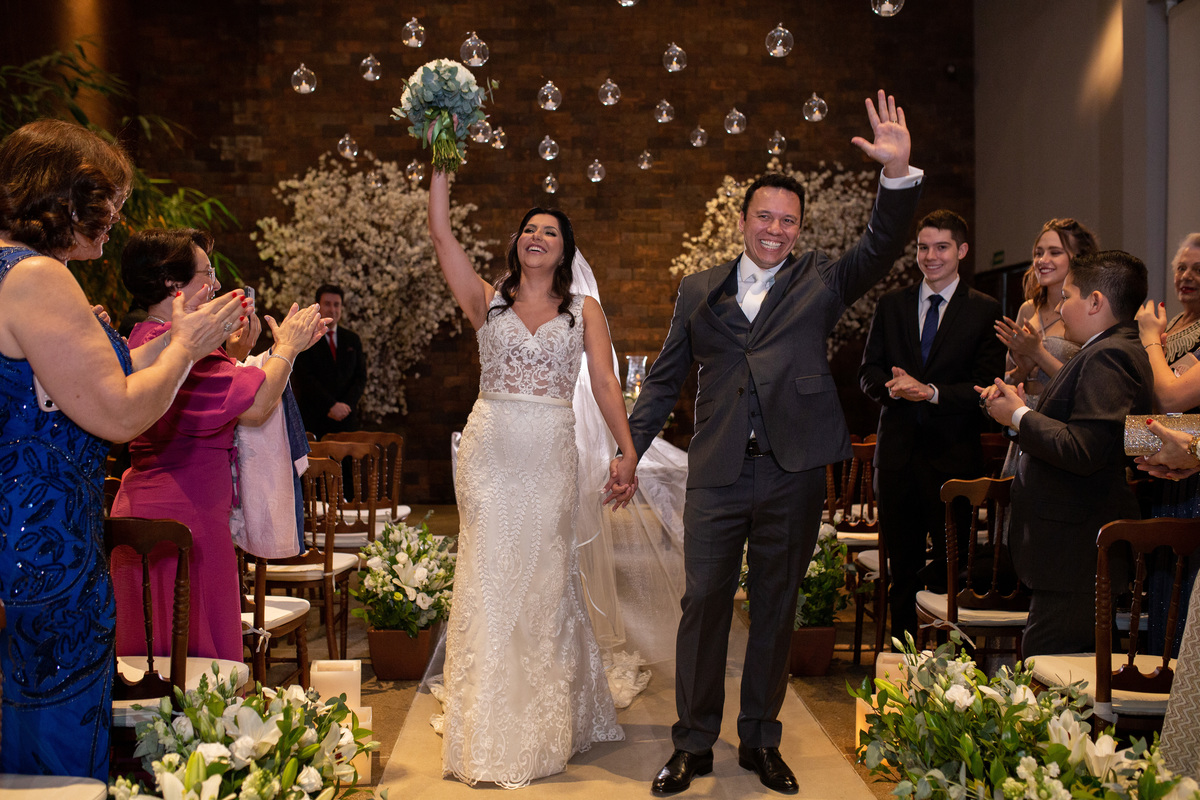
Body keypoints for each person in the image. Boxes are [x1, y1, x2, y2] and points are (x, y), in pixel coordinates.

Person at [620, 90, 923, 795]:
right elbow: (663, 381)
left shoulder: (822, 279)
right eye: (765, 217)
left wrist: (896, 174)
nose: (776, 230)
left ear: (799, 229)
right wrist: (629, 450)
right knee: (704, 605)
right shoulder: (698, 290)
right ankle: (693, 743)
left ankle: (760, 739)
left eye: (789, 221)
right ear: (743, 220)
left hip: (793, 472)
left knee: (777, 607)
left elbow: (881, 244)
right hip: (718, 471)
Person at [0, 119, 244, 779]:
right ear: (63, 197)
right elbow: (120, 413)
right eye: (108, 201)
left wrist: (175, 340)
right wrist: (186, 348)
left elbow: (80, 384)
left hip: (22, 531)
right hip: (44, 545)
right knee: (52, 748)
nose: (116, 218)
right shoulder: (37, 276)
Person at [426, 168, 638, 788]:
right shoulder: (486, 300)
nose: (536, 236)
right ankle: (488, 719)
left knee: (542, 576)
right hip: (489, 452)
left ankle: (541, 719)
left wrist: (626, 450)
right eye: (528, 229)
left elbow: (605, 383)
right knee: (488, 577)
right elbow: (441, 235)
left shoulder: (584, 311)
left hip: (548, 452)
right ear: (516, 243)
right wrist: (440, 158)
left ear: (565, 251)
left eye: (549, 231)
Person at [110, 228, 327, 662]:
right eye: (207, 273)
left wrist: (233, 355)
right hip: (186, 521)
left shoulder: (139, 339)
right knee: (198, 664)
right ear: (173, 283)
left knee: (151, 662)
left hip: (142, 512)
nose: (215, 284)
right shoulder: (186, 353)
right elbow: (257, 406)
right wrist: (286, 348)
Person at [979, 250, 1153, 657]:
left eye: (1068, 296)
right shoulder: (1104, 348)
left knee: (1048, 671)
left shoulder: (1109, 354)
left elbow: (1084, 449)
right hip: (1070, 549)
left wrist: (1019, 415)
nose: (1059, 307)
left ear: (1095, 302)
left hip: (1076, 549)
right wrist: (1015, 415)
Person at [859, 209, 1006, 643]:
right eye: (923, 247)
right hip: (898, 460)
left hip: (953, 460)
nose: (930, 256)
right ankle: (902, 667)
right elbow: (867, 372)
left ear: (961, 250)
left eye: (941, 247)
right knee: (901, 573)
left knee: (950, 572)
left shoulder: (984, 310)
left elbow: (986, 386)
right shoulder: (892, 305)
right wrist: (893, 388)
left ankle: (947, 672)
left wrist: (932, 392)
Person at [994, 219, 1099, 407]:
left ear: (1079, 258)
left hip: (1061, 417)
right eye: (1038, 253)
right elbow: (1008, 379)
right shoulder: (1028, 309)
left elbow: (1087, 388)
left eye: (1055, 252)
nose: (1042, 260)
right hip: (1023, 414)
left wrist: (1037, 353)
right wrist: (1022, 370)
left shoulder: (1089, 310)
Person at [290, 284, 367, 439]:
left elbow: (360, 378)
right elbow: (305, 378)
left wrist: (346, 406)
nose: (332, 309)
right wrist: (330, 405)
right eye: (327, 304)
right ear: (317, 307)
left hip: (347, 420)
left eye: (336, 305)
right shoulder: (306, 338)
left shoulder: (352, 339)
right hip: (315, 420)